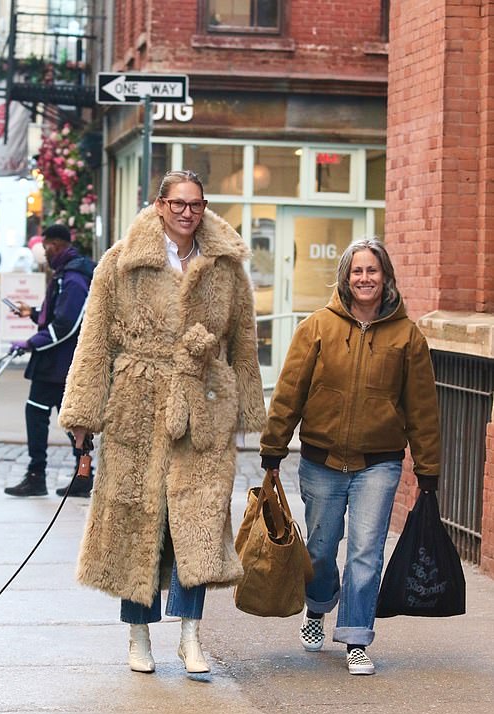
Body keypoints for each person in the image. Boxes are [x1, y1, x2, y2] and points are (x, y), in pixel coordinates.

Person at [57, 170, 266, 675]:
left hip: (203, 406)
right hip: (137, 405)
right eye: (178, 204)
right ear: (159, 205)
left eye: (196, 204)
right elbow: (95, 343)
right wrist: (84, 414)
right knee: (139, 517)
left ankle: (192, 635)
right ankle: (138, 634)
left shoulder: (225, 267)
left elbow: (242, 341)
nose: (187, 213)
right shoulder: (120, 262)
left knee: (196, 521)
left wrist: (248, 412)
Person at [260, 238, 441, 676]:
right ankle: (317, 608)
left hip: (378, 462)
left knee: (366, 551)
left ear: (386, 278)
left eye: (372, 271)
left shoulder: (406, 336)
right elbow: (289, 393)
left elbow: (422, 407)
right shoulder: (317, 327)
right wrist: (272, 449)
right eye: (357, 271)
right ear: (346, 277)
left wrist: (428, 468)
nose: (365, 279)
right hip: (321, 461)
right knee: (321, 550)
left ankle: (357, 635)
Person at [4, 224, 96, 498]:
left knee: (52, 418)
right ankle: (80, 477)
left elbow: (68, 323)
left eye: (46, 248)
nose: (44, 253)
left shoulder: (74, 278)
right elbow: (56, 315)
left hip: (59, 363)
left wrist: (32, 343)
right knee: (72, 423)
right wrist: (32, 313)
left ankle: (38, 476)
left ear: (58, 245)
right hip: (57, 362)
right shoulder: (65, 274)